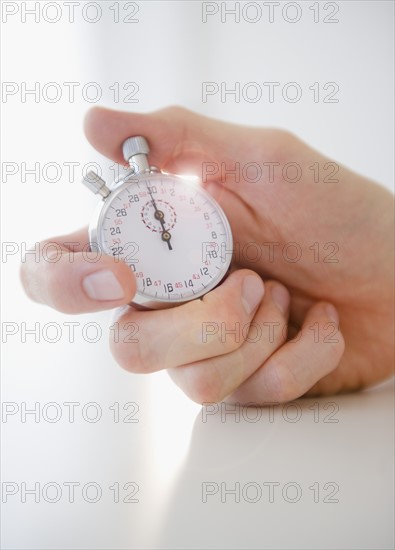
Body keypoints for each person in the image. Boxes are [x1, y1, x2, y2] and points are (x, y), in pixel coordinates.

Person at [20, 106, 394, 404]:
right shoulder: (115, 223)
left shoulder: (191, 207)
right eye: (158, 224)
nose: (164, 229)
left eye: (164, 221)